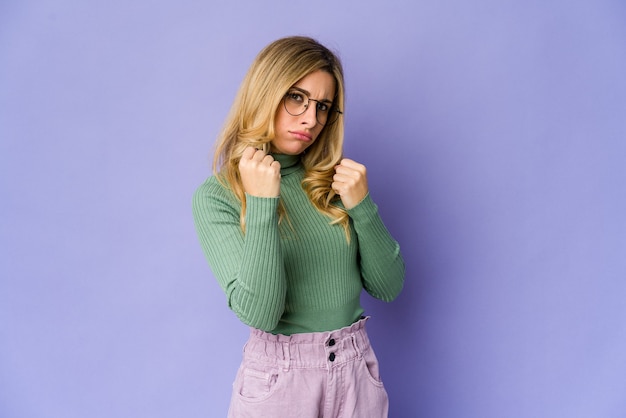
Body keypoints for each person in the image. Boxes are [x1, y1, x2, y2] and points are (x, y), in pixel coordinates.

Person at [192, 36, 405, 418]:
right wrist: (261, 204)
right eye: (296, 97)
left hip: (356, 372)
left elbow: (388, 287)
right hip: (280, 381)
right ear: (265, 92)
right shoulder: (218, 196)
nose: (311, 119)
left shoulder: (333, 183)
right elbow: (261, 313)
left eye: (323, 106)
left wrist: (363, 207)